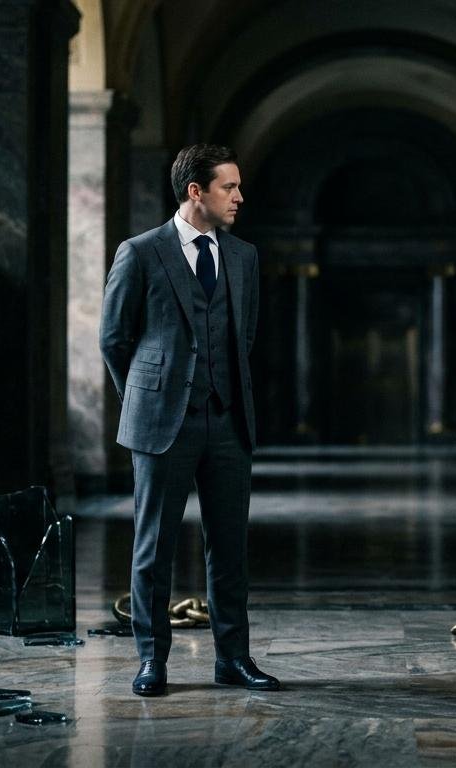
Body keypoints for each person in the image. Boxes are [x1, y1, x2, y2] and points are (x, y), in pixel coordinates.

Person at [99, 144, 279, 696]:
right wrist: (145, 397)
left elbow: (242, 337)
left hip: (228, 422)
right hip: (161, 423)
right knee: (153, 547)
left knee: (229, 548)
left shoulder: (244, 256)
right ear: (195, 192)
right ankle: (153, 662)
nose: (240, 197)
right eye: (230, 187)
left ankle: (234, 660)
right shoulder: (141, 252)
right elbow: (114, 339)